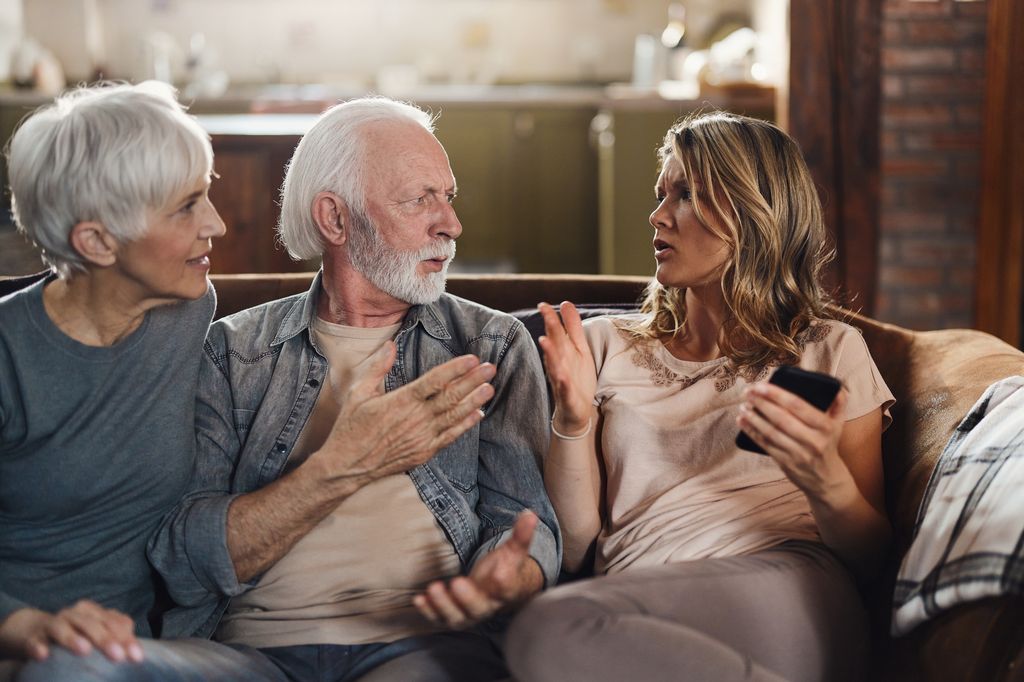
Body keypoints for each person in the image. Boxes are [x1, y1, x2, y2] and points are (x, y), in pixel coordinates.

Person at [45, 96, 555, 682]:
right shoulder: (231, 351)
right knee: (69, 670)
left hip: (417, 649)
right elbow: (182, 558)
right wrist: (344, 465)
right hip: (248, 657)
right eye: (420, 200)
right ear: (335, 219)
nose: (451, 223)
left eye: (449, 197)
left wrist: (505, 579)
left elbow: (527, 524)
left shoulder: (490, 345)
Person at [506, 111, 895, 682]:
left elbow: (874, 559)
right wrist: (573, 417)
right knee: (559, 631)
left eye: (686, 194)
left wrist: (823, 479)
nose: (657, 215)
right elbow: (576, 548)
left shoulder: (829, 348)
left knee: (547, 628)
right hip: (631, 598)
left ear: (753, 213)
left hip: (787, 591)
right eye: (661, 193)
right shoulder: (601, 345)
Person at [0, 81, 223, 669]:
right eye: (187, 206)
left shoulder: (190, 311)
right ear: (98, 242)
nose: (217, 225)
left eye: (208, 194)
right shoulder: (6, 356)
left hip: (141, 655)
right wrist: (26, 626)